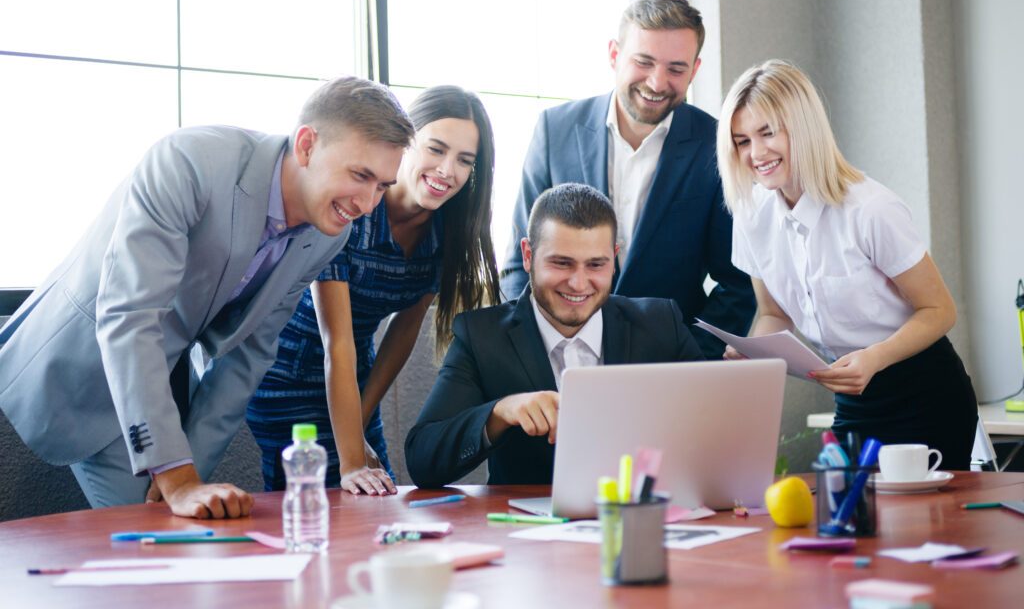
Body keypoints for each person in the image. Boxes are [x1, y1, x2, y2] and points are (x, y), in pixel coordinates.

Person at [0, 76, 414, 517]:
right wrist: (176, 474)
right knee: (156, 540)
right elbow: (130, 315)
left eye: (383, 186)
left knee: (189, 531)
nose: (368, 204)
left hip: (167, 377)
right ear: (307, 145)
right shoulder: (189, 161)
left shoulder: (330, 235)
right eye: (360, 175)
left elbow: (252, 354)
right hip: (81, 364)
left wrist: (192, 469)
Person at [716, 60, 977, 468]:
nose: (756, 153)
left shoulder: (870, 208)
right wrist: (754, 353)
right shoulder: (751, 217)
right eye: (742, 140)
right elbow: (773, 312)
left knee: (919, 527)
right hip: (854, 401)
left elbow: (939, 311)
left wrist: (874, 358)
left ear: (802, 128)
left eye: (768, 133)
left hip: (925, 394)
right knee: (854, 524)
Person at [247, 86, 500, 495]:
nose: (447, 170)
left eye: (464, 160)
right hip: (288, 374)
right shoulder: (352, 207)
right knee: (318, 503)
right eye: (435, 149)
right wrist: (349, 460)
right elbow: (336, 343)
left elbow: (403, 333)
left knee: (375, 498)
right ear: (405, 144)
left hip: (356, 379)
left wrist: (362, 419)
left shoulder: (448, 229)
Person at [500, 0, 754, 359]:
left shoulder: (715, 146)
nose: (656, 82)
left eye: (676, 69)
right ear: (615, 55)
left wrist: (694, 358)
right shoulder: (554, 130)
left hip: (668, 364)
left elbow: (737, 281)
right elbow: (517, 262)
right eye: (644, 62)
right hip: (558, 358)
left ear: (695, 70)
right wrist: (528, 351)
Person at [406, 183, 703, 487]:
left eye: (596, 265)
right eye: (561, 263)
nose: (578, 283)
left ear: (614, 259)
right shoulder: (481, 337)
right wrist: (499, 413)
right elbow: (422, 459)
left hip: (645, 520)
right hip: (528, 528)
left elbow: (714, 426)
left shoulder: (661, 324)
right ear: (527, 255)